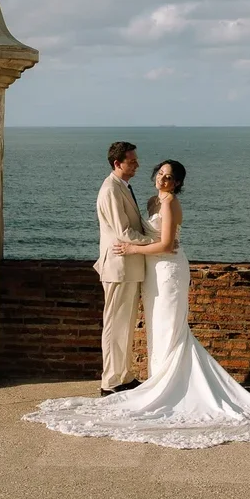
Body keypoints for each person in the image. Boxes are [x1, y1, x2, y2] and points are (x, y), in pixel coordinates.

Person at [24, 158, 250, 448]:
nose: (163, 180)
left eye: (170, 177)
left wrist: (131, 251)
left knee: (170, 328)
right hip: (152, 273)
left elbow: (167, 244)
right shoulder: (150, 201)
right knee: (157, 330)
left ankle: (171, 388)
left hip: (170, 270)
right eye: (160, 174)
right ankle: (159, 382)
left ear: (177, 183)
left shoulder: (171, 204)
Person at [92, 140, 150, 396]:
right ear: (117, 163)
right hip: (118, 267)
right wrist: (157, 241)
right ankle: (110, 382)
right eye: (132, 161)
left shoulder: (122, 187)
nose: (137, 164)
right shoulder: (111, 190)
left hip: (127, 267)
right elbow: (124, 231)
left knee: (125, 325)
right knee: (115, 324)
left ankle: (124, 376)